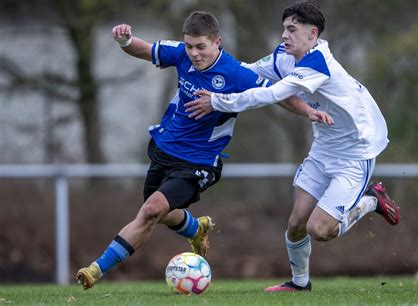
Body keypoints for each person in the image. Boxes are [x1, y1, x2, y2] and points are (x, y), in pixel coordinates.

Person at [76, 10, 332, 290]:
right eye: (190, 46)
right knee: (156, 212)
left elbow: (279, 96)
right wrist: (125, 41)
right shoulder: (181, 54)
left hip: (199, 161)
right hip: (164, 149)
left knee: (151, 210)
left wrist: (309, 111)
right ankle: (196, 228)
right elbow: (146, 50)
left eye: (201, 47)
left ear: (217, 43)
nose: (195, 54)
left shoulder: (235, 73)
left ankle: (95, 270)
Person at [185, 1, 400, 292]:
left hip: (355, 153)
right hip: (324, 146)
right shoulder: (284, 56)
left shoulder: (317, 63)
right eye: (284, 28)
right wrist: (207, 60)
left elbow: (270, 94)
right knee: (297, 222)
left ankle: (371, 199)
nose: (284, 35)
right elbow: (246, 73)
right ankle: (300, 284)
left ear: (312, 34)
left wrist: (217, 101)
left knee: (320, 229)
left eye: (292, 29)